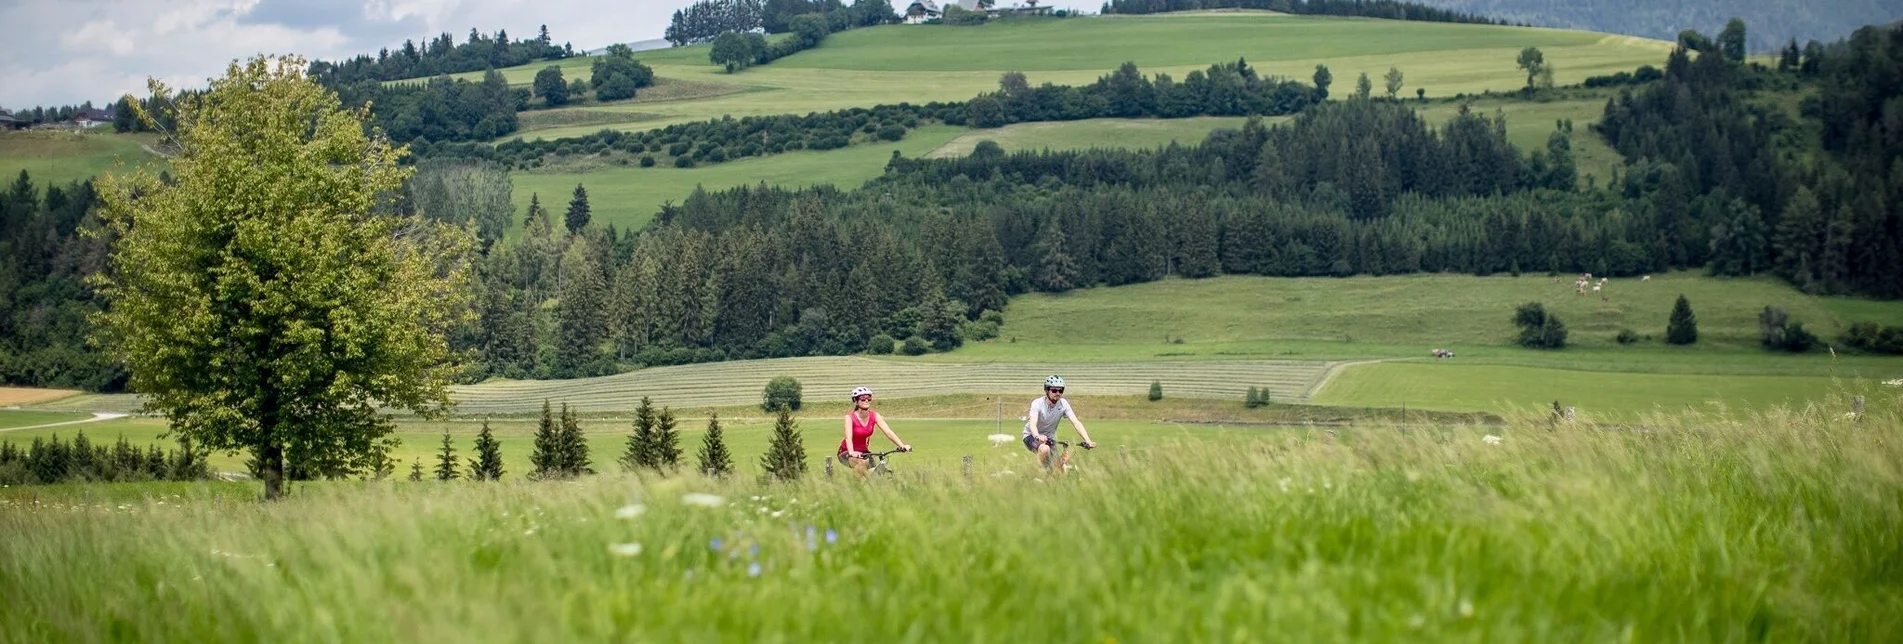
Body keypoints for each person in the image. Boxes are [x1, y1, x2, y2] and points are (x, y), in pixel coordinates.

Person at [1023, 375, 1096, 471]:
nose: (1058, 393)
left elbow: (1076, 422)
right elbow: (1032, 423)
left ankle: (1051, 476)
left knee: (1058, 468)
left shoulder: (1063, 404)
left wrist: (1088, 440)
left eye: (1060, 390)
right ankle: (1039, 473)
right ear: (1047, 391)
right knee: (1045, 450)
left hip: (1049, 438)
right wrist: (1037, 436)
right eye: (1054, 390)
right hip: (1031, 436)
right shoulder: (1037, 403)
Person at [839, 386, 910, 473]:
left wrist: (902, 446)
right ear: (856, 401)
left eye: (869, 398)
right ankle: (854, 486)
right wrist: (852, 452)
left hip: (865, 453)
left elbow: (888, 432)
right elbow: (848, 437)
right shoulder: (849, 418)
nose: (866, 400)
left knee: (876, 473)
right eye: (863, 398)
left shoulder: (874, 416)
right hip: (847, 452)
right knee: (862, 465)